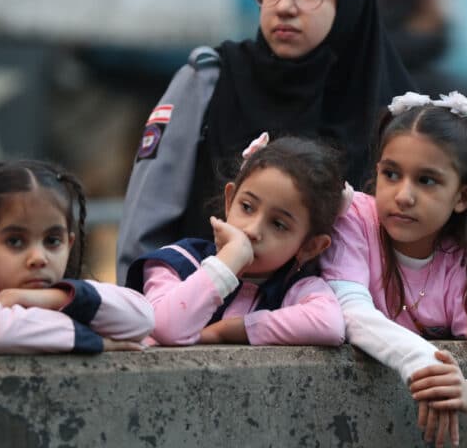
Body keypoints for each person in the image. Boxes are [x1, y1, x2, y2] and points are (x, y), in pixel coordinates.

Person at [116, 0, 413, 283]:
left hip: (337, 320)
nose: (285, 7)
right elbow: (147, 219)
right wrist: (145, 303)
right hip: (201, 310)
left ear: (348, 2)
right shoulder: (210, 78)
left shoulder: (390, 108)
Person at [320, 91, 467, 446]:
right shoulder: (354, 220)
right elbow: (351, 312)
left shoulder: (459, 267)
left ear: (462, 196)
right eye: (391, 174)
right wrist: (426, 365)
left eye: (426, 180)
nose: (403, 195)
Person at [0, 160, 154, 354]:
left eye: (53, 241)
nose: (38, 257)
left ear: (70, 243)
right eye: (15, 242)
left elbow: (143, 318)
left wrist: (53, 298)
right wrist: (94, 341)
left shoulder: (61, 297)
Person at [124, 135, 345, 346]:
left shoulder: (297, 289)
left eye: (278, 224)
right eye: (247, 207)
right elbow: (165, 327)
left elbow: (331, 325)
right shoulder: (178, 263)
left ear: (310, 246)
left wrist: (234, 330)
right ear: (230, 200)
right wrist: (229, 260)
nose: (252, 230)